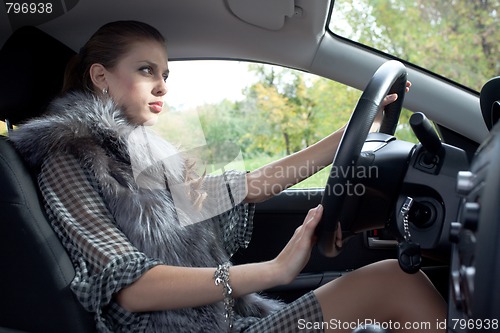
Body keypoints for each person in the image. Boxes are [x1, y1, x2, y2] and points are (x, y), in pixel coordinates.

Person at [10, 21, 446, 333]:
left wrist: (354, 132)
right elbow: (131, 288)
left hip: (229, 321)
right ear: (100, 76)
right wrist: (272, 271)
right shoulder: (68, 157)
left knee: (392, 280)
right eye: (146, 70)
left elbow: (250, 186)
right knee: (394, 280)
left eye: (165, 74)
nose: (162, 85)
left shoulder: (151, 159)